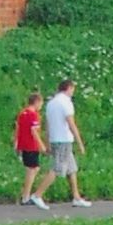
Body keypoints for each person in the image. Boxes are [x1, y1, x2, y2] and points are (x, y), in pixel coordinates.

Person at [40, 74, 87, 206]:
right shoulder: (66, 102)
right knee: (57, 168)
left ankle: (76, 197)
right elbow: (71, 123)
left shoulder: (51, 103)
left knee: (72, 169)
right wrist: (80, 142)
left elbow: (48, 124)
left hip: (55, 139)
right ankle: (37, 195)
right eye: (72, 89)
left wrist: (47, 141)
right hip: (64, 139)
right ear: (69, 88)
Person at [13, 92, 47, 206]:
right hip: (31, 145)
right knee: (32, 169)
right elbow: (34, 131)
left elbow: (17, 129)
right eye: (41, 103)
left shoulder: (22, 113)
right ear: (37, 102)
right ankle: (25, 196)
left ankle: (25, 195)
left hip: (23, 145)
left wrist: (16, 143)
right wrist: (41, 144)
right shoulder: (33, 115)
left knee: (34, 168)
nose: (41, 106)